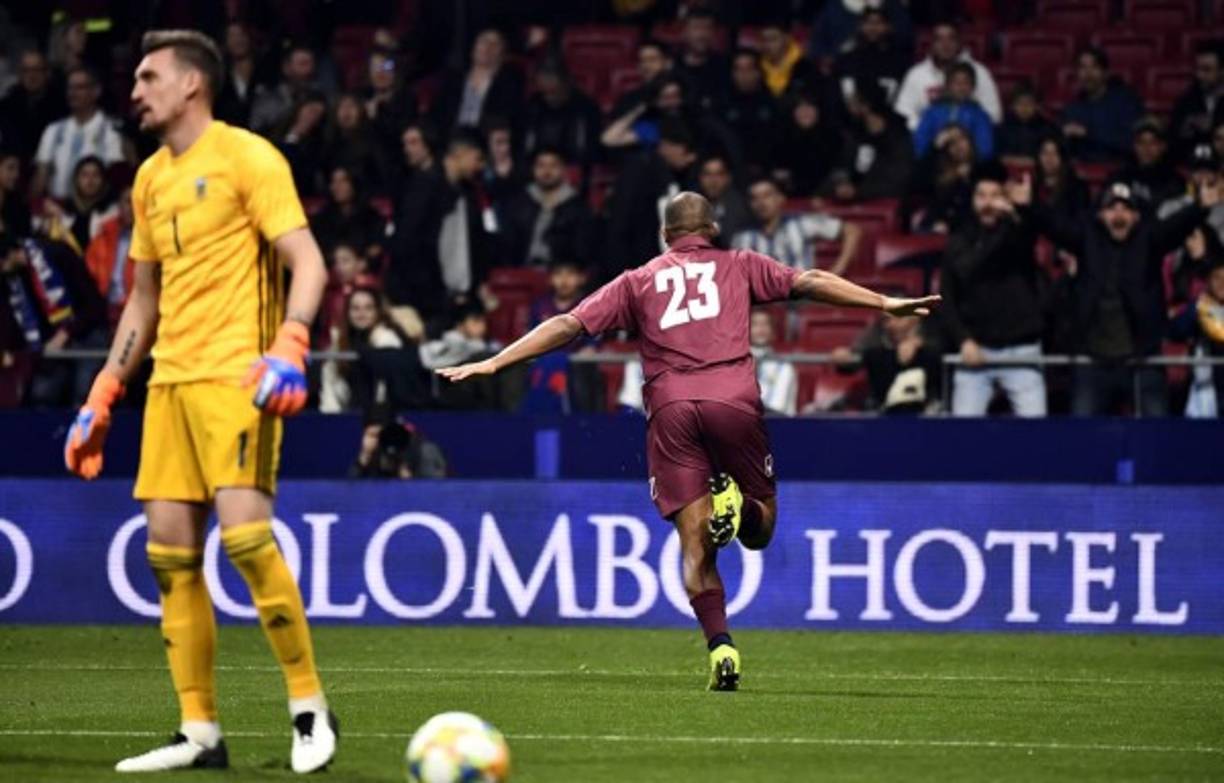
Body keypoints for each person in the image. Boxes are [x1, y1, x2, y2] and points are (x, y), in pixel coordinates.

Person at [437, 191, 939, 690]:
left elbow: (568, 325)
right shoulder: (741, 264)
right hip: (732, 400)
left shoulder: (638, 279)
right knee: (759, 532)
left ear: (664, 236)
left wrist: (495, 361)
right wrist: (882, 301)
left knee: (695, 543)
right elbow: (809, 280)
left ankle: (721, 646)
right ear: (713, 231)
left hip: (672, 407)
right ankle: (737, 508)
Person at [61, 31, 337, 772]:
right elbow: (141, 301)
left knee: (246, 541)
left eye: (150, 77)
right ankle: (200, 731)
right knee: (169, 559)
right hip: (170, 386)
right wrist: (103, 392)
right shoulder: (149, 178)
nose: (135, 90)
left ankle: (309, 707)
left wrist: (292, 343)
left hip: (238, 378)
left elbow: (308, 260)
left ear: (191, 85)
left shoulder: (249, 157)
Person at [1034, 180, 1222, 416]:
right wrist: (1028, 205)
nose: (1119, 215)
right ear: (1101, 215)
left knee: (1155, 433)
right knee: (1083, 435)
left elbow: (1176, 226)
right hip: (1093, 360)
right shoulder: (1086, 238)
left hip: (1143, 358)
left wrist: (1200, 207)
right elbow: (1054, 226)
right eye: (1112, 208)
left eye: (1126, 209)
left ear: (1136, 217)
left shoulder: (1150, 239)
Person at [940, 163, 1048, 417]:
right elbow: (949, 295)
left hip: (1022, 351)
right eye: (982, 196)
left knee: (1037, 435)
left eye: (995, 195)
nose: (988, 203)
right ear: (972, 200)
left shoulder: (1019, 231)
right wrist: (963, 339)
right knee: (962, 436)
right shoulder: (959, 241)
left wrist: (1021, 209)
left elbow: (1038, 229)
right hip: (976, 350)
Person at [32, 66, 128, 201]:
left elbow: (118, 180)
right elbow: (40, 179)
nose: (72, 93)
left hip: (99, 211)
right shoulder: (53, 130)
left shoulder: (112, 131)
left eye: (79, 87)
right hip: (58, 211)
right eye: (70, 88)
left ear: (96, 91)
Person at [733, 177, 863, 275]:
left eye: (767, 195)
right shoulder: (742, 237)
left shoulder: (802, 223)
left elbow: (852, 231)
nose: (761, 203)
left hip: (802, 299)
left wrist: (836, 271)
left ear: (781, 198)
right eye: (755, 198)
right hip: (765, 303)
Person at [894, 21, 1001, 131]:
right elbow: (904, 114)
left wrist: (960, 132)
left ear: (959, 42)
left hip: (969, 140)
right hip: (926, 139)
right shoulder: (916, 74)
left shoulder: (979, 72)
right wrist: (930, 129)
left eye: (951, 38)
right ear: (931, 44)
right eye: (939, 39)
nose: (946, 44)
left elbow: (994, 115)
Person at [500, 146, 593, 267]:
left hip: (562, 275)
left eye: (553, 165)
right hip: (522, 271)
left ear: (563, 169)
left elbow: (582, 250)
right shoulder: (519, 202)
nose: (546, 171)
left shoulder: (577, 206)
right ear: (533, 169)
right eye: (541, 165)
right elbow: (508, 245)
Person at [822, 81, 913, 202]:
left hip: (885, 205)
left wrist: (859, 192)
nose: (850, 106)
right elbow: (841, 167)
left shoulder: (899, 138)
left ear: (866, 106)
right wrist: (839, 185)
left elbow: (899, 181)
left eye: (855, 102)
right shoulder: (854, 135)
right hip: (850, 204)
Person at [430, 28, 524, 134]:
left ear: (502, 53)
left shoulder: (509, 83)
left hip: (485, 140)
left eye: (495, 44)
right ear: (474, 47)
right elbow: (437, 115)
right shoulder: (454, 81)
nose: (487, 47)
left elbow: (506, 119)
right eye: (483, 41)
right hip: (450, 139)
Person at [1061, 47, 1144, 164]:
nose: (1088, 74)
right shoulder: (1072, 108)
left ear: (1105, 72)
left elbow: (1132, 142)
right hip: (1083, 174)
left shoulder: (1125, 101)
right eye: (1083, 68)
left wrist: (1088, 133)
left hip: (1121, 171)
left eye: (1094, 67)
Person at [1169, 252, 1224, 417]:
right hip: (1206, 392)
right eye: (1216, 278)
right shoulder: (1200, 308)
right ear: (1208, 282)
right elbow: (1175, 332)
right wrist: (1195, 312)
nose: (1222, 283)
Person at [521, 59, 602, 170]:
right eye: (544, 92)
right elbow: (527, 147)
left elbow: (586, 151)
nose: (549, 97)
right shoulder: (534, 105)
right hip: (538, 167)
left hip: (575, 168)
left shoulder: (586, 107)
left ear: (566, 83)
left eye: (553, 91)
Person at [912, 62, 994, 159]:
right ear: (947, 86)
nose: (961, 87)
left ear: (973, 87)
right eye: (956, 82)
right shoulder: (932, 113)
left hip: (969, 167)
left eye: (966, 82)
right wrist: (937, 143)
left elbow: (985, 150)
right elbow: (920, 147)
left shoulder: (979, 115)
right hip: (936, 165)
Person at [725, 48, 785, 178]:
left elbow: (779, 141)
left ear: (758, 72)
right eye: (738, 69)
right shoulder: (722, 104)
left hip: (768, 171)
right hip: (731, 171)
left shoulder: (772, 104)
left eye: (749, 69)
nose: (744, 75)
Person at [310, 165, 387, 261]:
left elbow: (376, 248)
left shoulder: (370, 216)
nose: (337, 186)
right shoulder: (323, 218)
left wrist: (362, 263)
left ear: (353, 184)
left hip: (361, 269)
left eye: (343, 181)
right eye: (333, 181)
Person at [833, 9, 910, 105]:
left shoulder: (901, 63)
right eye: (868, 22)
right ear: (859, 26)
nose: (872, 27)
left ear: (889, 27)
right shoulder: (845, 61)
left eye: (878, 22)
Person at [0, 49, 66, 161]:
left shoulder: (61, 105)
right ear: (20, 74)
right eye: (26, 70)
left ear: (47, 73)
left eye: (36, 70)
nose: (31, 75)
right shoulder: (7, 105)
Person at [1113, 121, 1185, 213]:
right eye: (1141, 142)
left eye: (1153, 142)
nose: (1146, 148)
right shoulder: (1121, 177)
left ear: (1163, 146)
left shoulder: (1175, 181)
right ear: (1134, 146)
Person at [1170, 42, 1224, 164]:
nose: (1199, 75)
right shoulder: (1186, 100)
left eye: (1207, 70)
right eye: (1198, 69)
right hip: (1195, 166)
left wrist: (1213, 125)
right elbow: (1173, 138)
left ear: (1222, 71)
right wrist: (1186, 129)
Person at [672, 10, 730, 112]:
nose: (702, 35)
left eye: (707, 28)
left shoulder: (725, 66)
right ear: (685, 32)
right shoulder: (671, 65)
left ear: (713, 33)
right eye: (696, 28)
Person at [996, 81, 1059, 166]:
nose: (1024, 107)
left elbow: (1052, 157)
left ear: (1037, 106)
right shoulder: (1002, 128)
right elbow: (997, 156)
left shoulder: (1048, 128)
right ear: (1012, 106)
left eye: (1029, 103)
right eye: (1020, 103)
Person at [697, 154, 751, 242]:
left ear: (728, 178)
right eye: (707, 174)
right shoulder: (691, 207)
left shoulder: (741, 208)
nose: (713, 181)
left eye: (719, 174)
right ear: (700, 178)